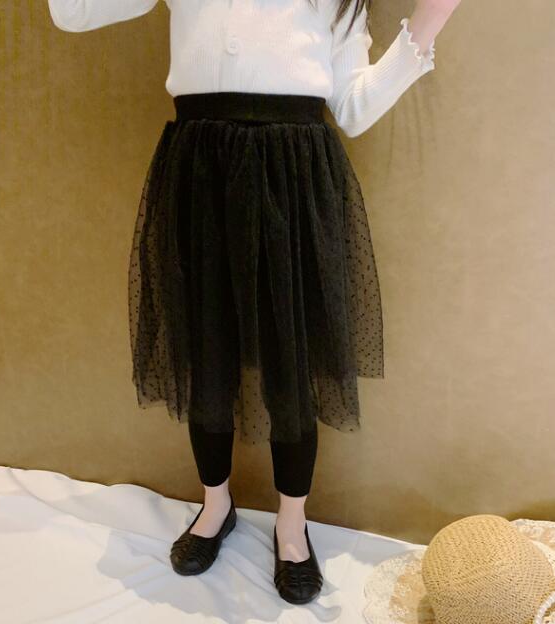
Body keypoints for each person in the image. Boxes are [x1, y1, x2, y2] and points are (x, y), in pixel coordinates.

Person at [47, 0, 460, 605]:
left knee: (291, 361)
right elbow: (73, 12)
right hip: (201, 172)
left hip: (292, 178)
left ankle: (292, 525)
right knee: (205, 350)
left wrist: (430, 20)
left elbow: (353, 107)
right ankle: (216, 505)